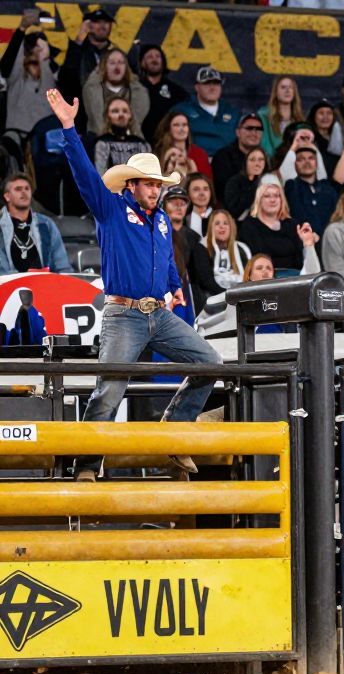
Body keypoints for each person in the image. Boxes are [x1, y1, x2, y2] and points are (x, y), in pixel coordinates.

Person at [47, 88, 220, 483]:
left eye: (158, 185)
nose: (155, 190)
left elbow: (167, 258)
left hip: (157, 311)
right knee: (109, 389)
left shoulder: (161, 220)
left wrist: (175, 285)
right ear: (130, 185)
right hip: (123, 313)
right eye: (148, 184)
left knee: (210, 361)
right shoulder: (109, 208)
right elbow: (84, 174)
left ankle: (173, 434)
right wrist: (69, 129)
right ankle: (87, 466)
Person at [0, 11, 59, 143]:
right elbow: (8, 62)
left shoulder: (52, 72)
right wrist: (22, 29)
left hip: (46, 133)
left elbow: (69, 76)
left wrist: (45, 54)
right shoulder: (16, 75)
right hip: (17, 132)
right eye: (32, 48)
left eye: (40, 47)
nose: (36, 51)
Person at [161, 184, 219, 317]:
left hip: (191, 295)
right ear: (163, 205)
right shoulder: (157, 234)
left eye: (182, 203)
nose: (179, 207)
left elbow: (201, 276)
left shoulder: (195, 238)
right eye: (173, 203)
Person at [237, 180, 319, 273]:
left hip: (295, 276)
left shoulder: (292, 224)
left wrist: (307, 241)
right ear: (259, 200)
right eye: (267, 196)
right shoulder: (249, 226)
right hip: (266, 279)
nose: (273, 200)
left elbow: (301, 258)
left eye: (277, 196)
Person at [0, 173, 70, 275]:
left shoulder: (46, 224)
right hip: (9, 286)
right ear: (7, 196)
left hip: (44, 285)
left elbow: (62, 265)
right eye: (18, 189)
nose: (24, 192)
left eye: (27, 189)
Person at [82, 48, 150, 137]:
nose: (117, 67)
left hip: (131, 140)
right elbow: (96, 119)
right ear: (103, 66)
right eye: (112, 63)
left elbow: (135, 122)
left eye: (121, 62)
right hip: (98, 139)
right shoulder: (93, 88)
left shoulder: (137, 91)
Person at [177, 67, 240, 157]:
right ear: (197, 87)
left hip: (227, 164)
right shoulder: (182, 110)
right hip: (194, 162)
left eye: (216, 83)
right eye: (207, 83)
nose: (212, 87)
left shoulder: (233, 112)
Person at [136, 44, 189, 144]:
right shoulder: (135, 88)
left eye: (157, 56)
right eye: (149, 57)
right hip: (139, 142)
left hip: (167, 143)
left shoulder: (176, 91)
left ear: (163, 61)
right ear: (142, 63)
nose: (154, 59)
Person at [57, 8, 114, 100]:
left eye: (106, 22)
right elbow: (65, 78)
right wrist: (80, 37)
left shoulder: (116, 53)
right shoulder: (77, 50)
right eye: (97, 22)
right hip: (82, 108)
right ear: (87, 25)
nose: (102, 25)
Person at [284, 145, 339, 238]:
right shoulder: (290, 188)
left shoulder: (328, 189)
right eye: (301, 159)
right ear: (294, 165)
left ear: (317, 163)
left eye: (311, 158)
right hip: (300, 244)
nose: (307, 162)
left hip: (328, 244)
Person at [211, 112, 264, 202]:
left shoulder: (266, 158)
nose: (254, 133)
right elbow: (223, 192)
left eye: (258, 129)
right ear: (238, 132)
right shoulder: (223, 157)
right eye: (249, 128)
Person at [92, 98, 151, 176]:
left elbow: (148, 174)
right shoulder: (101, 143)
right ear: (108, 116)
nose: (121, 115)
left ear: (130, 116)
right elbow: (101, 175)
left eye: (125, 111)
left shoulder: (142, 144)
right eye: (115, 111)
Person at [152, 111, 213, 181]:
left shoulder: (200, 154)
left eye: (184, 125)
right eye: (176, 125)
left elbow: (208, 182)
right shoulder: (159, 153)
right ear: (168, 129)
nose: (181, 129)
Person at [206, 209, 251, 290]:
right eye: (217, 223)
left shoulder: (243, 249)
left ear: (231, 226)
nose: (221, 226)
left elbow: (250, 276)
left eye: (225, 223)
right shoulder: (204, 250)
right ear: (210, 228)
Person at [259, 76, 305, 157]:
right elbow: (264, 146)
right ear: (275, 92)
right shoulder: (264, 117)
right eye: (283, 87)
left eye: (290, 87)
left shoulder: (301, 121)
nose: (287, 90)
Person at [224, 147, 268, 220]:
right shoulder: (234, 182)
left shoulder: (267, 181)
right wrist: (256, 188)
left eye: (261, 160)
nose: (257, 164)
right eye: (252, 160)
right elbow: (234, 211)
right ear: (245, 163)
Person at [184, 173, 215, 238]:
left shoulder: (221, 217)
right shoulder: (183, 220)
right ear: (188, 193)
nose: (202, 193)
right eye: (196, 189)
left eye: (205, 189)